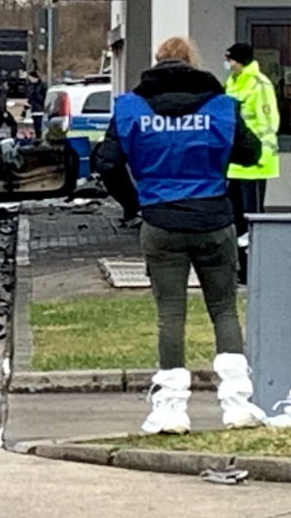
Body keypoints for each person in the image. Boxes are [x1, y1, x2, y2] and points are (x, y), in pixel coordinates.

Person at [94, 36, 267, 434]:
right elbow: (251, 153)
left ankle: (171, 411)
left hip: (161, 222)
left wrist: (134, 203)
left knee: (170, 315)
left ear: (156, 64)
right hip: (214, 220)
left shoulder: (130, 108)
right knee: (223, 310)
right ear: (193, 62)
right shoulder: (221, 106)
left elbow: (106, 163)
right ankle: (237, 404)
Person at [224, 43, 280, 282]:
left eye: (229, 59)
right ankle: (241, 269)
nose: (227, 63)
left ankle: (254, 269)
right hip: (235, 165)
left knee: (253, 220)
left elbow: (269, 123)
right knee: (237, 220)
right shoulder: (233, 83)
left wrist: (258, 154)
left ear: (240, 60)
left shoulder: (260, 84)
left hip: (255, 165)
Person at [26, 70, 48, 139]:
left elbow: (44, 97)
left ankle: (40, 138)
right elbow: (30, 96)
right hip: (34, 110)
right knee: (36, 126)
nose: (30, 79)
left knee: (40, 126)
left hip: (40, 110)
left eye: (30, 78)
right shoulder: (31, 86)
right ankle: (38, 138)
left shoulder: (42, 85)